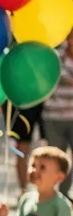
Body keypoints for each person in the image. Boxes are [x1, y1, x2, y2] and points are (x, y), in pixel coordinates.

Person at [42, 34, 73, 196]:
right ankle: (55, 194)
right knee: (55, 159)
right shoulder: (55, 58)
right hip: (54, 117)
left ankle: (65, 192)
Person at [10, 104, 44, 194]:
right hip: (23, 106)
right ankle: (23, 189)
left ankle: (27, 189)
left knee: (46, 147)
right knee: (22, 148)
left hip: (44, 107)